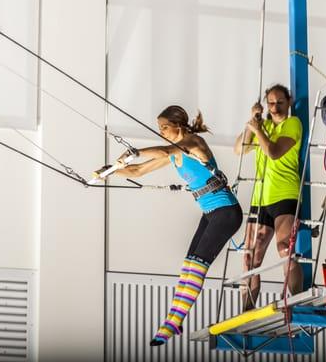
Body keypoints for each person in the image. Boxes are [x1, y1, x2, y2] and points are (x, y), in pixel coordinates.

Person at [99, 105, 243, 346]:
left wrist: (136, 151)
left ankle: (173, 321)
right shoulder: (173, 154)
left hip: (226, 212)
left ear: (179, 125)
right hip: (210, 213)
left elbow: (165, 150)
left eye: (164, 127)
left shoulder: (193, 142)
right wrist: (111, 171)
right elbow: (138, 171)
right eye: (160, 128)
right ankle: (173, 319)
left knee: (197, 267)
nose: (161, 131)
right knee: (188, 266)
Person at [233, 84, 303, 311]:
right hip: (260, 197)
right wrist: (251, 123)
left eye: (279, 103)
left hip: (284, 194)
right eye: (271, 103)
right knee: (249, 256)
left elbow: (273, 152)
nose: (274, 108)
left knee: (285, 249)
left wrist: (259, 130)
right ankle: (247, 310)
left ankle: (296, 301)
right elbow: (239, 149)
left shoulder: (292, 124)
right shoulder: (263, 127)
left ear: (289, 102)